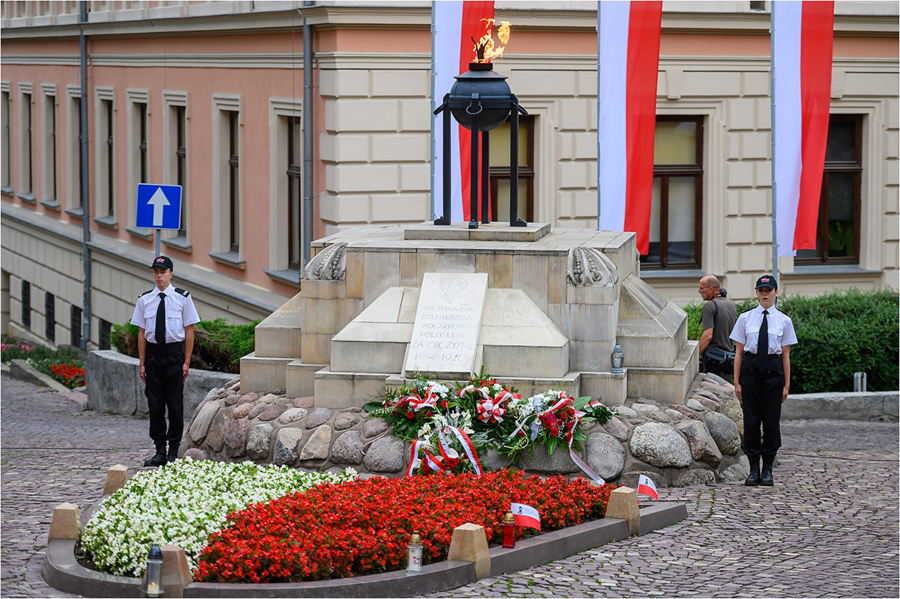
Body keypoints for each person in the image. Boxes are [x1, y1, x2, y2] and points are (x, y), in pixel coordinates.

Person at [130, 256, 200, 467]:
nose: (158, 275)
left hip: (173, 354)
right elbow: (142, 333)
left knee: (175, 405)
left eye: (163, 271)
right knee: (155, 404)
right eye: (155, 272)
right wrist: (142, 363)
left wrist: (186, 361)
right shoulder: (144, 299)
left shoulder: (182, 298)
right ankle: (159, 450)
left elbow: (189, 331)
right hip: (153, 355)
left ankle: (173, 451)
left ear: (171, 274)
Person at [730, 275, 797, 487]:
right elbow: (739, 353)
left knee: (770, 422)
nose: (765, 294)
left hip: (772, 372)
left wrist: (786, 384)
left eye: (769, 290)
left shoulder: (784, 321)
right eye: (761, 290)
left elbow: (785, 355)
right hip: (750, 372)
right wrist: (737, 382)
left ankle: (767, 468)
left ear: (776, 292)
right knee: (750, 422)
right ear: (756, 293)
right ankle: (752, 470)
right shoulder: (745, 318)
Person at [697, 275, 737, 377]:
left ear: (710, 289)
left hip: (714, 362)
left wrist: (693, 357)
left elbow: (707, 336)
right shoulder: (731, 304)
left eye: (701, 288)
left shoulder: (709, 306)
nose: (699, 291)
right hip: (728, 362)